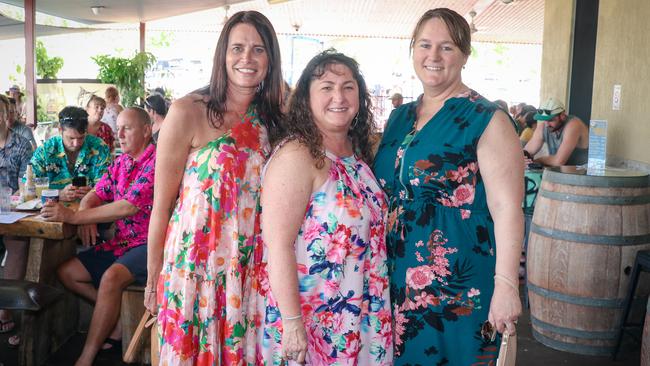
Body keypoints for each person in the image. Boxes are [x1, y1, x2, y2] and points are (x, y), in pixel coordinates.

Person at [373, 8, 523, 365]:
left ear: (465, 55)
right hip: (393, 278)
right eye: (425, 45)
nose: (434, 56)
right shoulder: (399, 117)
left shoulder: (486, 118)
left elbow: (507, 208)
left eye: (447, 47)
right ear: (412, 50)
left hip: (457, 284)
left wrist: (506, 284)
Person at [144, 10, 284, 364]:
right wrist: (151, 279)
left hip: (247, 269)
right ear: (223, 55)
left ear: (271, 59)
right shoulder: (188, 110)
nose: (247, 59)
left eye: (258, 49)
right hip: (194, 267)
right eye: (237, 48)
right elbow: (161, 206)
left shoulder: (275, 119)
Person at [259, 50, 392, 365]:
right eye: (327, 86)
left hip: (361, 314)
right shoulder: (296, 155)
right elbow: (277, 245)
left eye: (348, 86)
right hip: (312, 322)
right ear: (306, 97)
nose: (339, 96)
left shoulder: (355, 153)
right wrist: (292, 323)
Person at [44, 107, 156, 366]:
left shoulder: (157, 162)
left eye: (127, 128)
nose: (120, 135)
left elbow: (128, 206)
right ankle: (113, 319)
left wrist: (74, 217)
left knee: (110, 279)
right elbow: (96, 192)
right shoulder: (122, 162)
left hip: (149, 243)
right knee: (67, 272)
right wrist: (85, 210)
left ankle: (86, 356)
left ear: (147, 130)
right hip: (123, 242)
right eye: (118, 129)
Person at [0, 94, 33, 347]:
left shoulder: (22, 144)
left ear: (7, 115)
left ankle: (6, 308)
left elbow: (26, 184)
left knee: (18, 243)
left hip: (12, 209)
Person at [30, 106, 110, 201]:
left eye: (81, 138)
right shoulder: (46, 150)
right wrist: (58, 194)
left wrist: (94, 193)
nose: (76, 144)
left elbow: (109, 187)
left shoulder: (99, 148)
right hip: (52, 211)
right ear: (60, 130)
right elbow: (29, 187)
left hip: (89, 211)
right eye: (71, 138)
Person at [524, 97, 589, 166]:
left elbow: (559, 162)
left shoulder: (574, 125)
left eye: (550, 120)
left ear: (562, 116)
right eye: (544, 120)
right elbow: (527, 152)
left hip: (581, 174)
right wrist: (524, 159)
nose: (546, 124)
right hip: (560, 173)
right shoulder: (544, 126)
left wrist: (537, 161)